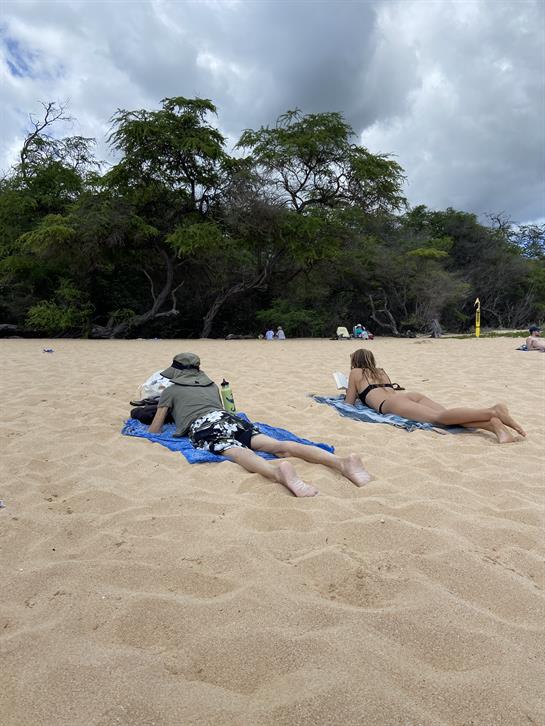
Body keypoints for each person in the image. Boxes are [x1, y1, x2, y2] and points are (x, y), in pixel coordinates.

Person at [148, 352, 372, 496]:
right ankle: (342, 463)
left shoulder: (171, 390)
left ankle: (276, 473)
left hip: (205, 426)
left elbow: (155, 429)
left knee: (236, 452)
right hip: (230, 419)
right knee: (278, 445)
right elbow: (223, 409)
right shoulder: (212, 386)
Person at [344, 348, 526, 444]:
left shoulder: (355, 373)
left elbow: (349, 403)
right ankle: (494, 426)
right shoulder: (381, 371)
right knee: (449, 416)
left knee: (439, 419)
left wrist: (349, 391)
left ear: (355, 362)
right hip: (410, 396)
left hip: (391, 403)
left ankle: (492, 411)